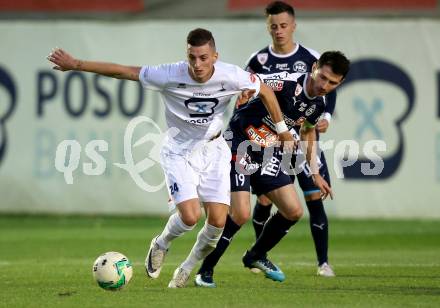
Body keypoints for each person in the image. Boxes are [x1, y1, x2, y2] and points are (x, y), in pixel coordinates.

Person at [47, 28, 294, 288]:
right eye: (192, 58)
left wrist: (282, 130)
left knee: (218, 223)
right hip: (178, 151)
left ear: (215, 57)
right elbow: (123, 71)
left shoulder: (231, 75)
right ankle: (161, 243)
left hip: (214, 150)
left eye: (203, 58)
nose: (197, 65)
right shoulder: (169, 74)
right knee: (189, 217)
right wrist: (76, 64)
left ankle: (187, 268)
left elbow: (265, 90)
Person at [195, 51, 350, 287]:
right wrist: (245, 92)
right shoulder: (286, 81)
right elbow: (253, 81)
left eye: (332, 83)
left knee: (293, 211)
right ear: (315, 67)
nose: (324, 85)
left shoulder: (319, 103)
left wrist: (315, 172)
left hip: (268, 151)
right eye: (323, 77)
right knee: (241, 214)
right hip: (240, 142)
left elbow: (308, 132)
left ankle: (255, 255)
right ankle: (206, 269)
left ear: (340, 83)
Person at [247, 1, 337, 277]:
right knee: (264, 200)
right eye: (273, 26)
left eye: (284, 25)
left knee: (313, 196)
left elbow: (327, 92)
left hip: (303, 139)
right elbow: (248, 89)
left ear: (294, 26)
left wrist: (328, 118)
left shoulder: (312, 58)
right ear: (268, 27)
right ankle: (261, 254)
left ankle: (323, 262)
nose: (279, 31)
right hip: (270, 142)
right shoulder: (258, 60)